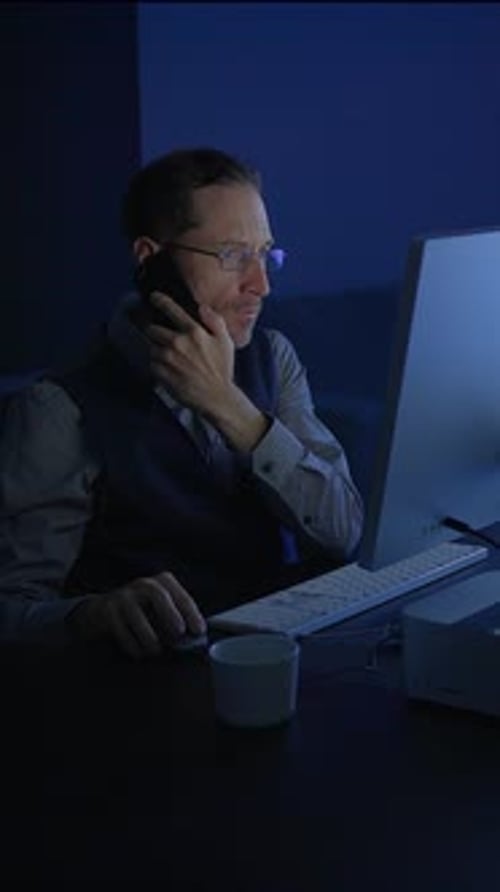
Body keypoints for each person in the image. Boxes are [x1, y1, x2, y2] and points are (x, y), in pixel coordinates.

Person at [0, 147, 363, 659]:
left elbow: (342, 531)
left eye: (266, 254)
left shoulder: (272, 359)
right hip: (147, 692)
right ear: (153, 262)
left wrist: (230, 409)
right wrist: (91, 614)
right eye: (234, 256)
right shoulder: (59, 409)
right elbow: (13, 610)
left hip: (272, 662)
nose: (261, 284)